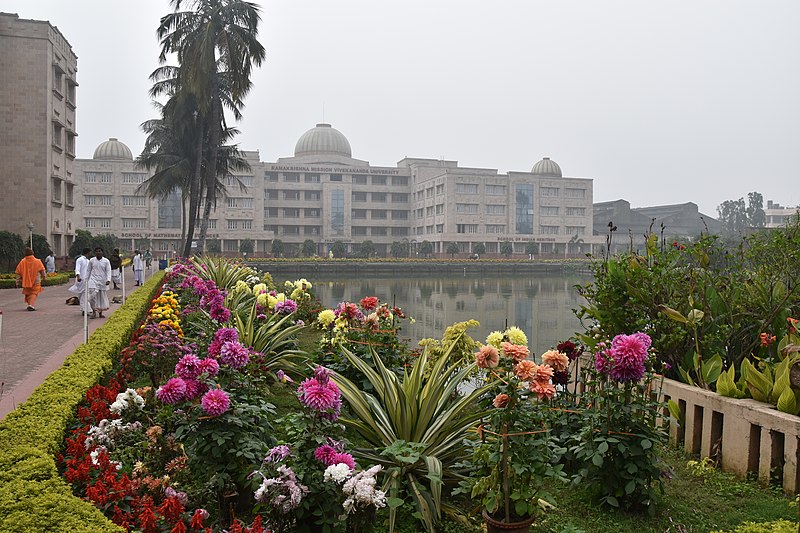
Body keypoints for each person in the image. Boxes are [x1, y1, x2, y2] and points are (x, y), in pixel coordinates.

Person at [87, 247, 112, 319]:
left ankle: (100, 313)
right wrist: (86, 280)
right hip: (93, 280)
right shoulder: (92, 260)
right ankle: (94, 312)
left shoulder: (106, 261)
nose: (98, 252)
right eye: (97, 251)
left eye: (99, 251)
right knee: (92, 296)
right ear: (95, 253)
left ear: (102, 252)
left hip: (102, 281)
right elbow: (88, 270)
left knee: (101, 297)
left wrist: (108, 280)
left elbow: (108, 271)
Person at [71, 248, 93, 316]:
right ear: (87, 253)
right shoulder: (80, 260)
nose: (91, 254)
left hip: (87, 280)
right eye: (90, 253)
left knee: (85, 295)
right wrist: (78, 276)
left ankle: (85, 310)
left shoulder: (88, 260)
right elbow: (77, 268)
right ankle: (85, 309)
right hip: (80, 280)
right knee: (81, 295)